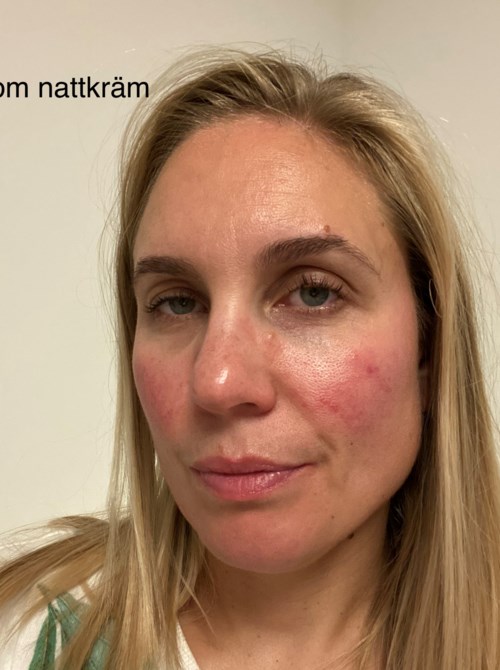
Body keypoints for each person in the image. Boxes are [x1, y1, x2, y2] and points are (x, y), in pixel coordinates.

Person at [1, 47, 499, 670]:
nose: (217, 381)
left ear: (430, 348)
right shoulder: (26, 637)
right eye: (177, 302)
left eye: (313, 293)